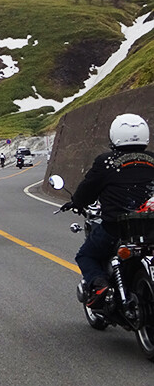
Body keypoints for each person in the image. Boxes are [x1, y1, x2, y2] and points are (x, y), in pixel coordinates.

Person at [62, 114, 154, 307]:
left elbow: (87, 190)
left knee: (85, 255)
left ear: (115, 135)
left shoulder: (106, 162)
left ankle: (99, 284)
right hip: (151, 227)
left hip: (118, 228)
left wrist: (76, 203)